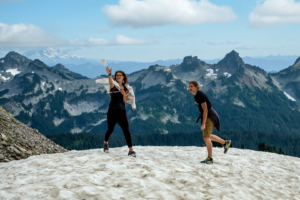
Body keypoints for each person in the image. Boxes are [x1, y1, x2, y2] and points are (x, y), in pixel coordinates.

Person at [189, 81, 231, 164]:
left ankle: (210, 158)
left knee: (206, 137)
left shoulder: (200, 95)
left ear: (197, 87)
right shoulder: (196, 95)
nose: (190, 88)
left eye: (192, 86)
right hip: (208, 115)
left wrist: (203, 123)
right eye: (189, 86)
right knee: (207, 136)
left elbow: (205, 110)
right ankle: (225, 142)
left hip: (210, 116)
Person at [103, 66, 136, 157]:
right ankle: (105, 143)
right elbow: (110, 82)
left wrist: (123, 94)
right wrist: (109, 74)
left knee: (126, 131)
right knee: (110, 129)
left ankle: (131, 150)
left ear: (123, 77)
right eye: (117, 75)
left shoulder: (126, 88)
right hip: (112, 111)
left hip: (122, 111)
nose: (118, 76)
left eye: (120, 75)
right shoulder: (113, 85)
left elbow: (125, 100)